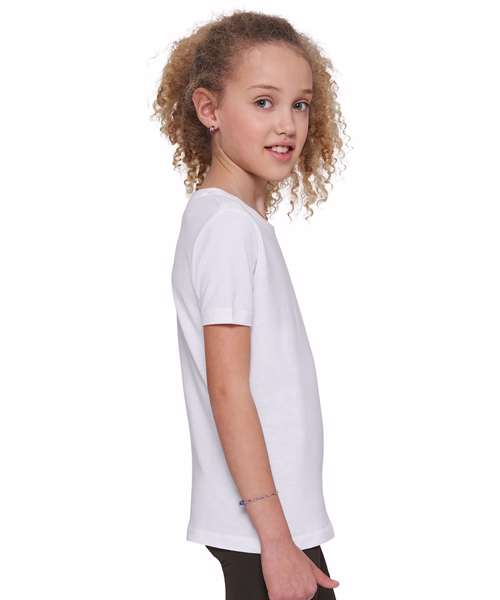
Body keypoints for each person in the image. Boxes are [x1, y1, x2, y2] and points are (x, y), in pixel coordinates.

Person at [152, 9, 348, 600]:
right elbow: (228, 388)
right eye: (263, 102)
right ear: (208, 109)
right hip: (264, 528)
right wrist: (277, 540)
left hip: (269, 522)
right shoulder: (227, 229)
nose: (288, 123)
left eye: (300, 104)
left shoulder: (234, 222)